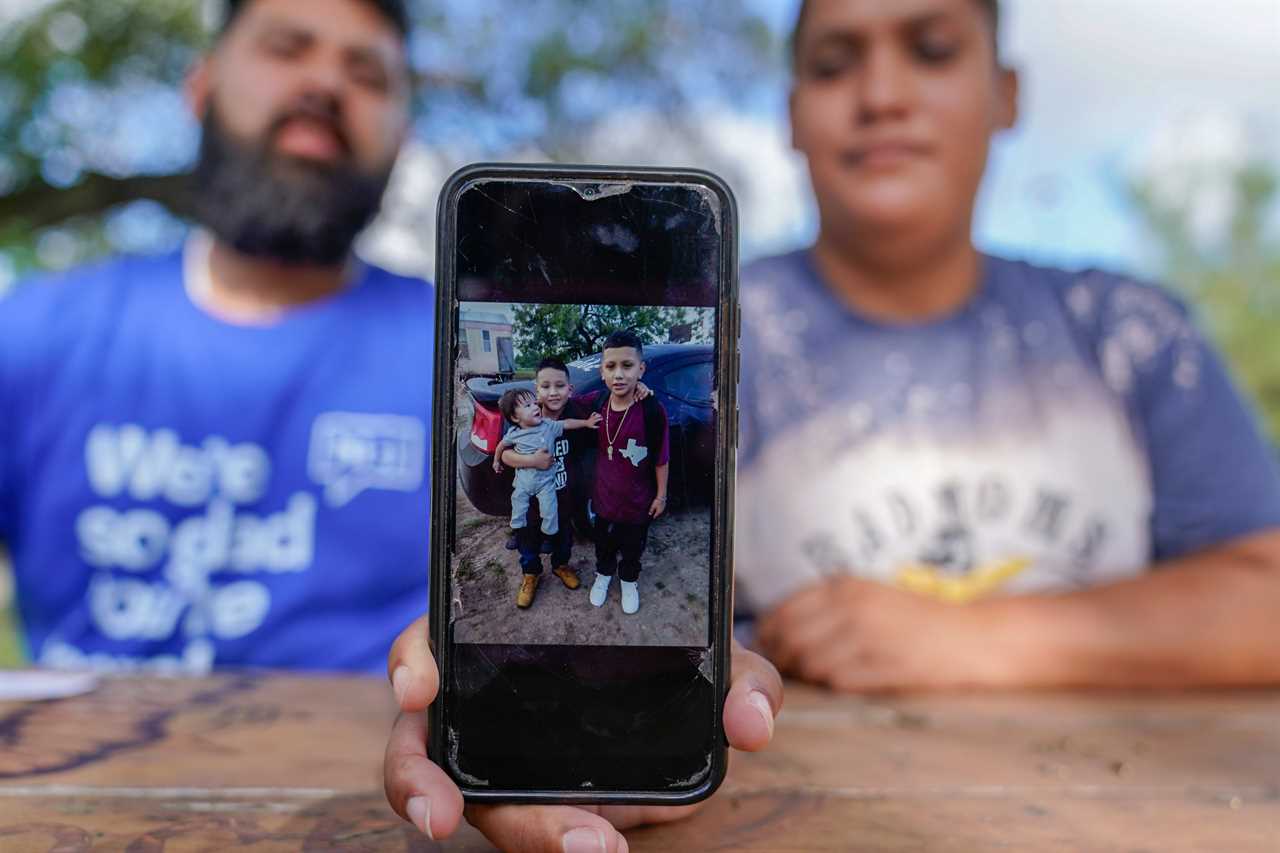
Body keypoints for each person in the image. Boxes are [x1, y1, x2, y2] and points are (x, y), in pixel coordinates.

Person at [738, 0, 1280, 691]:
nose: (880, 96)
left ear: (1006, 95)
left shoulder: (1128, 331)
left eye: (932, 50)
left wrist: (970, 637)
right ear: (791, 117)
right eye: (833, 65)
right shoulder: (712, 341)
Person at [0, 0, 430, 673]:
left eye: (368, 76)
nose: (323, 84)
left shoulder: (457, 359)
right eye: (287, 48)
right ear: (200, 88)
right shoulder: (31, 334)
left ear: (403, 136)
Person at [499, 358, 596, 607]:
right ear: (536, 389)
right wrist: (532, 460)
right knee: (527, 539)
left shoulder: (576, 412)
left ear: (570, 389)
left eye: (560, 385)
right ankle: (531, 574)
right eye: (545, 386)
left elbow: (609, 395)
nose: (553, 392)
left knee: (564, 538)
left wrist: (641, 388)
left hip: (564, 496)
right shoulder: (524, 415)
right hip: (532, 496)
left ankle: (561, 566)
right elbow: (506, 454)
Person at [587, 331, 671, 615]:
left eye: (628, 366)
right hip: (603, 499)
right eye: (611, 367)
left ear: (641, 369)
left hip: (638, 502)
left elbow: (661, 456)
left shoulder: (651, 410)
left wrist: (661, 495)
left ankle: (629, 580)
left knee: (633, 546)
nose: (619, 374)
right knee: (604, 544)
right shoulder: (597, 403)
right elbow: (560, 404)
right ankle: (603, 575)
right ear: (602, 372)